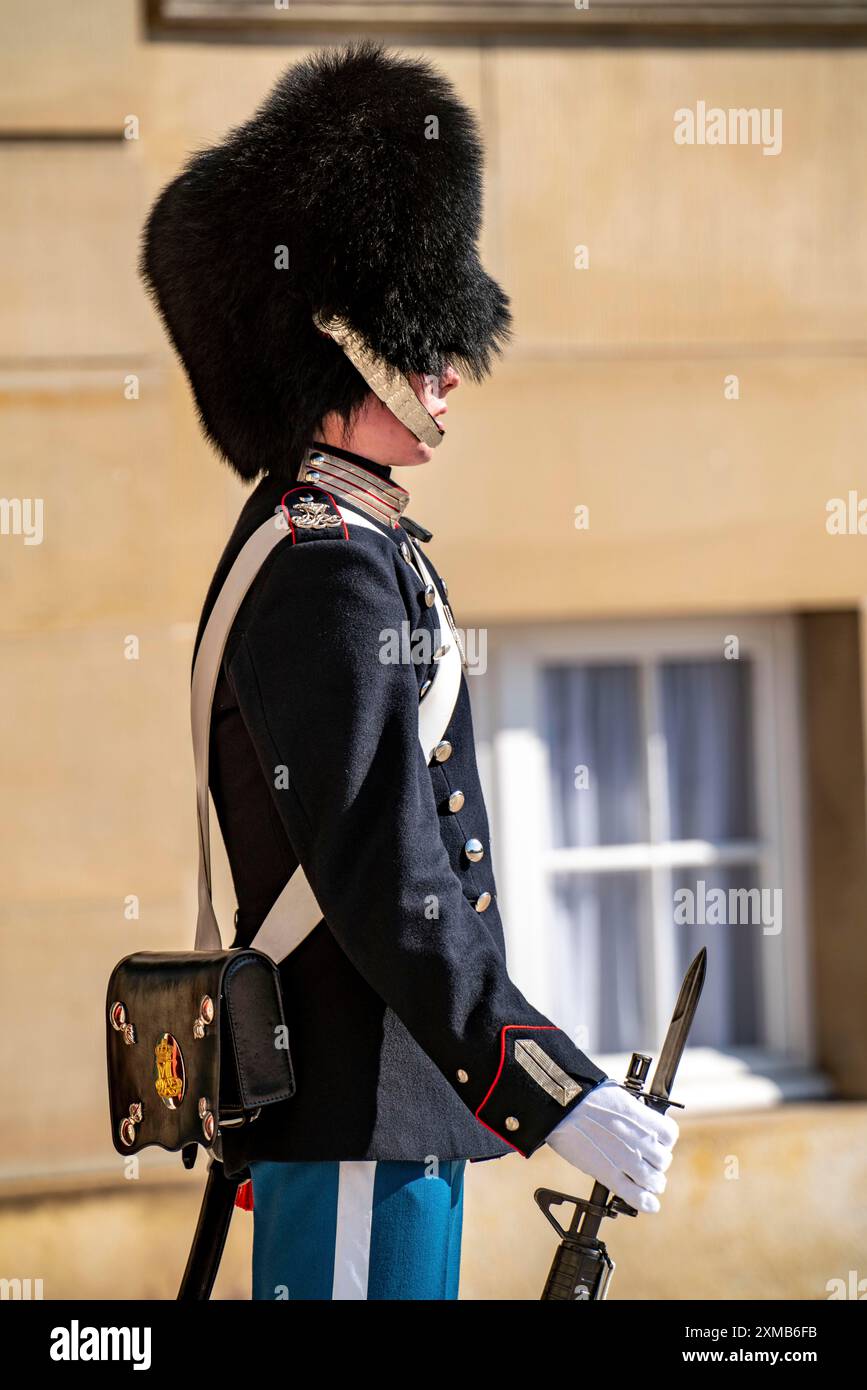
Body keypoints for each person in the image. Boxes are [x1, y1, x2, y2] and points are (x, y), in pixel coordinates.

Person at [141, 41, 678, 1302]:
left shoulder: (349, 539)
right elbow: (387, 874)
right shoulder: (326, 566)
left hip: (391, 1111)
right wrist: (550, 1088)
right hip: (352, 1121)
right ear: (339, 347)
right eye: (414, 338)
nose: (446, 367)